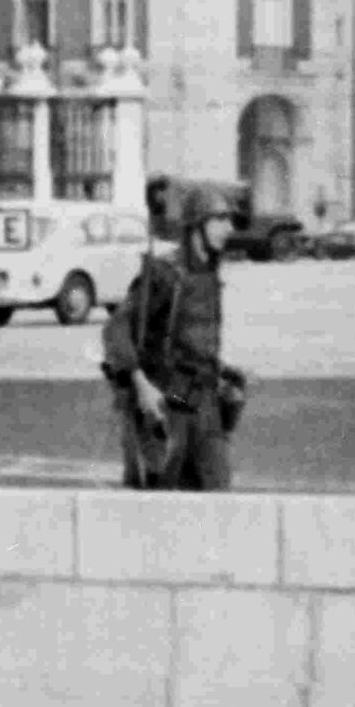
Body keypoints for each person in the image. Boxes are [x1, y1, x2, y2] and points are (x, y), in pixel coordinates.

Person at [101, 177, 249, 492]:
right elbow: (116, 328)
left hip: (204, 400)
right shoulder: (165, 274)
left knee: (218, 494)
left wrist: (223, 373)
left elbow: (192, 341)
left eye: (229, 220)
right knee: (161, 497)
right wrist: (141, 386)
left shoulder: (209, 273)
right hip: (170, 397)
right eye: (220, 220)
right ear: (197, 223)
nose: (228, 228)